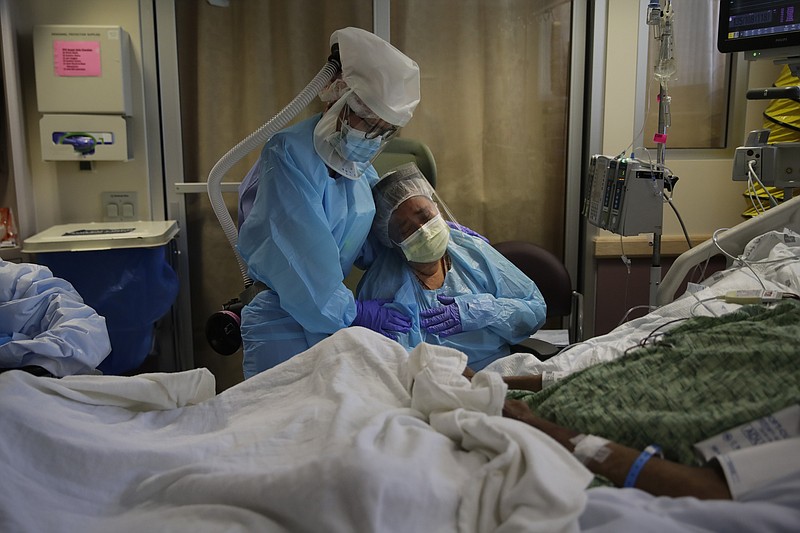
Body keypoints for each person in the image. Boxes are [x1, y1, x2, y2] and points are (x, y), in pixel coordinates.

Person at [236, 27, 420, 378]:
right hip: (282, 324)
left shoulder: (357, 170)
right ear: (335, 96)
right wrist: (355, 313)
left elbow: (372, 243)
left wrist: (435, 237)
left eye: (384, 130)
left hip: (330, 323)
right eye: (367, 121)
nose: (372, 137)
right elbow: (299, 258)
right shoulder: (288, 155)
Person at [496, 299, 800, 501]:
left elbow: (712, 488)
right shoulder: (774, 315)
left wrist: (536, 427)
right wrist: (504, 384)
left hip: (552, 450)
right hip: (526, 411)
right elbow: (635, 365)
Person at [356, 162, 547, 370]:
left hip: (502, 370)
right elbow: (396, 363)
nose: (423, 231)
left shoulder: (472, 251)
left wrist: (485, 310)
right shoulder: (384, 286)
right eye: (407, 229)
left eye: (426, 216)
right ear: (391, 241)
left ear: (437, 210)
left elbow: (535, 311)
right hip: (432, 382)